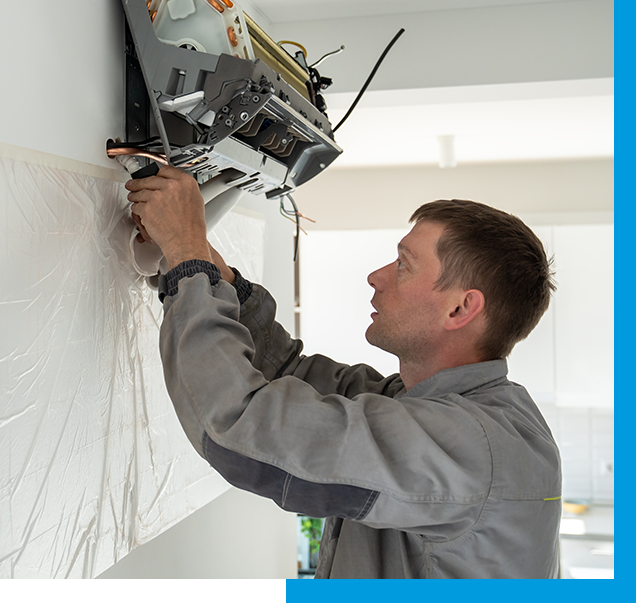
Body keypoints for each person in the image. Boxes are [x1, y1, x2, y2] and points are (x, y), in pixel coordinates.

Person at [125, 164, 562, 579]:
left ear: (460, 307)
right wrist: (207, 267)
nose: (376, 276)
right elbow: (288, 374)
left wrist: (187, 259)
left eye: (404, 265)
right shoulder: (445, 406)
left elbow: (237, 429)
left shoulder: (470, 448)